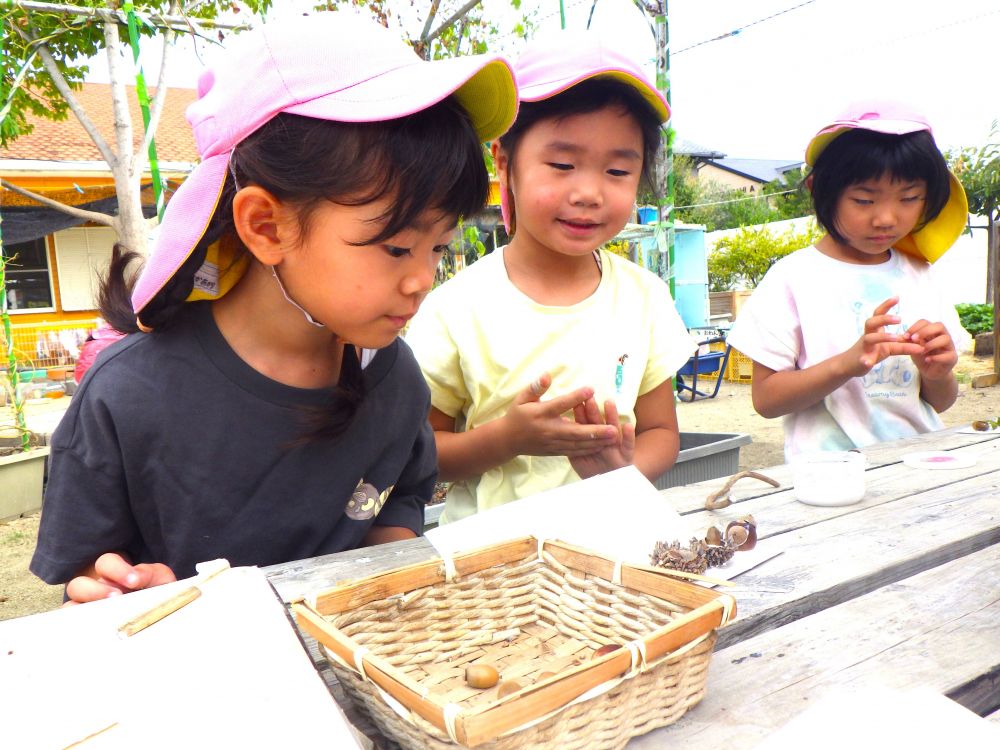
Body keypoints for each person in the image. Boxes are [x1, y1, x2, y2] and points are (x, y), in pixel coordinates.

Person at [30, 14, 517, 603]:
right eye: (396, 245)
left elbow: (403, 494)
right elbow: (86, 571)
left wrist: (388, 565)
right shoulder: (127, 397)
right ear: (266, 225)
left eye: (439, 247)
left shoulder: (393, 378)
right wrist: (113, 588)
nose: (421, 279)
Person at [405, 31, 696, 524]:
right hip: (497, 569)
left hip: (612, 547)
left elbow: (661, 433)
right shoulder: (456, 308)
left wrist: (621, 473)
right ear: (504, 163)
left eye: (618, 171)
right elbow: (421, 452)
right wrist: (508, 439)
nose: (589, 192)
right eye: (562, 164)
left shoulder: (644, 297)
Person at [726, 101, 970, 460]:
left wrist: (937, 373)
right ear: (818, 189)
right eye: (864, 200)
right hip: (830, 475)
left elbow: (941, 401)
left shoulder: (920, 274)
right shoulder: (793, 279)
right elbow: (766, 400)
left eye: (909, 198)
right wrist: (848, 363)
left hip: (919, 468)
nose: (886, 218)